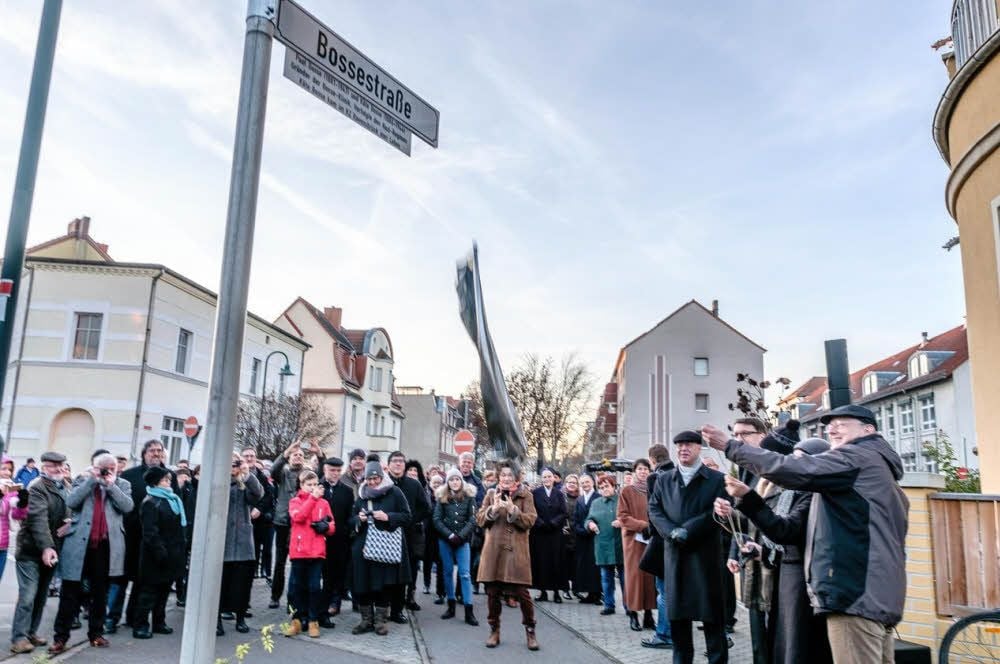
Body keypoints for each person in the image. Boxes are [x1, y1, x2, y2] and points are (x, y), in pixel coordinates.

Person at [704, 403, 909, 664]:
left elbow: (794, 473)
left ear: (868, 429)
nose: (832, 428)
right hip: (875, 594)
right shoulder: (878, 470)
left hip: (854, 595)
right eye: (830, 424)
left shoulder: (857, 458)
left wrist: (730, 446)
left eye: (843, 423)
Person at [714, 438, 834, 664]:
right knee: (781, 643)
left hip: (802, 582)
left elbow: (785, 531)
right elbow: (773, 531)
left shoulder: (812, 493)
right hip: (782, 575)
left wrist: (747, 497)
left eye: (799, 460)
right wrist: (761, 550)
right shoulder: (795, 489)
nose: (794, 465)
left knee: (797, 646)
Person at [648, 431, 730, 664]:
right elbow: (654, 510)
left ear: (699, 448)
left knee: (713, 622)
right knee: (679, 624)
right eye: (679, 446)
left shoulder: (716, 479)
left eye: (689, 445)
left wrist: (689, 529)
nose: (683, 449)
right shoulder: (664, 480)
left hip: (706, 558)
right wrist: (671, 531)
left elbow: (718, 511)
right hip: (675, 557)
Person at [48, 452, 133, 653]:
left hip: (106, 547)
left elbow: (127, 506)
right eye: (102, 468)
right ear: (93, 467)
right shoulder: (82, 480)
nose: (106, 472)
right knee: (69, 592)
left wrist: (110, 485)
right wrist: (91, 482)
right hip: (79, 544)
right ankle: (60, 638)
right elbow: (71, 502)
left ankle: (96, 633)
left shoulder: (122, 484)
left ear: (116, 469)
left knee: (100, 593)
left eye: (110, 468)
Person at [109, 439, 176, 634]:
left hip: (160, 541)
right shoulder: (130, 475)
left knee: (151, 582)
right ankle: (115, 619)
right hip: (133, 537)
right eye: (152, 450)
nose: (156, 453)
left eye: (159, 450)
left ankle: (149, 620)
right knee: (125, 580)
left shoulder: (169, 476)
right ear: (144, 453)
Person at [476, 461, 539, 651]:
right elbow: (479, 520)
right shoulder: (490, 494)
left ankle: (530, 631)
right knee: (492, 593)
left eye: (509, 476)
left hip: (516, 552)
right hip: (494, 551)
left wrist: (513, 510)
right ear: (498, 477)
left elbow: (531, 520)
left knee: (522, 594)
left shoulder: (525, 494)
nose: (505, 479)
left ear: (516, 478)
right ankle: (494, 630)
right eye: (503, 475)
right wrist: (493, 510)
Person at [10, 452, 67, 655]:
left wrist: (69, 524)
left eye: (61, 465)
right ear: (44, 467)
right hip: (30, 551)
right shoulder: (37, 487)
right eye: (53, 466)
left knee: (41, 596)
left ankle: (31, 632)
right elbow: (38, 519)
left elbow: (68, 514)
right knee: (28, 596)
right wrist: (47, 547)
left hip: (51, 550)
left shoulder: (63, 487)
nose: (58, 469)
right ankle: (19, 638)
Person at [350, 454, 412, 637]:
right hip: (363, 547)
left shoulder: (394, 492)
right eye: (369, 479)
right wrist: (357, 519)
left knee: (383, 585)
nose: (373, 482)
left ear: (382, 477)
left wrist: (388, 517)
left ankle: (380, 622)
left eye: (376, 478)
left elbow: (407, 516)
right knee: (362, 584)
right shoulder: (361, 495)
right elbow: (350, 519)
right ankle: (365, 620)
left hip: (385, 547)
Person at [132, 466, 186, 640]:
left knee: (163, 592)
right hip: (155, 556)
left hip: (172, 553)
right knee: (148, 593)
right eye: (165, 480)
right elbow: (150, 532)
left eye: (169, 479)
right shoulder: (150, 501)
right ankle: (140, 625)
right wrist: (161, 552)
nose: (169, 482)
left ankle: (159, 622)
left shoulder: (172, 499)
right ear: (155, 482)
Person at [269, 439, 323, 609]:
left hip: (302, 524)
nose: (298, 457)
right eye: (295, 454)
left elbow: (320, 474)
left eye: (300, 454)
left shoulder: (307, 474)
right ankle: (275, 596)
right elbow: (273, 470)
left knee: (298, 563)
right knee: (279, 561)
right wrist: (285, 452)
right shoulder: (283, 474)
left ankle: (294, 599)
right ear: (290, 458)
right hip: (283, 521)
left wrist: (319, 455)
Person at [217, 454, 264, 637]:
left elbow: (258, 494)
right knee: (221, 584)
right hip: (223, 541)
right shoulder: (219, 481)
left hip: (243, 541)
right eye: (231, 464)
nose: (233, 467)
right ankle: (217, 620)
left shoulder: (243, 483)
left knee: (242, 585)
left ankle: (240, 618)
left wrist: (247, 473)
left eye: (236, 464)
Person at [282, 470, 333, 638]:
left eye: (314, 484)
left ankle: (313, 620)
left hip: (317, 551)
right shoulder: (295, 501)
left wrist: (326, 527)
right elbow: (299, 518)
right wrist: (313, 498)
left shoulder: (324, 503)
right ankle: (297, 620)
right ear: (302, 485)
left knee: (314, 587)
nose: (312, 488)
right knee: (296, 588)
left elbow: (332, 525)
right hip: (299, 552)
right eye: (308, 485)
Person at [431, 468, 479, 626]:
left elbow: (473, 520)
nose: (455, 482)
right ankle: (450, 606)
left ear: (461, 481)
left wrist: (461, 536)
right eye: (451, 480)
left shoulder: (469, 497)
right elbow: (436, 519)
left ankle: (468, 610)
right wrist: (450, 535)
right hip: (446, 540)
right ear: (448, 482)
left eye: (457, 479)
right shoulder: (441, 497)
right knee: (447, 572)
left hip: (462, 541)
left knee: (465, 574)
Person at [385, 451, 429, 620]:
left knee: (403, 575)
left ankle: (397, 610)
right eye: (394, 461)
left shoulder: (414, 484)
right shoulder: (383, 483)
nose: (398, 464)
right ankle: (384, 606)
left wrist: (410, 520)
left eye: (401, 461)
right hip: (386, 535)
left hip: (407, 536)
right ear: (388, 464)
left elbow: (425, 508)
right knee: (387, 573)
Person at [641, 443, 675, 650]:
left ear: (652, 460)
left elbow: (653, 511)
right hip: (678, 537)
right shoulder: (678, 473)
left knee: (663, 590)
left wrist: (650, 533)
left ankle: (664, 634)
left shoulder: (655, 478)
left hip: (662, 540)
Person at [618, 458, 657, 631]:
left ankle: (648, 615)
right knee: (634, 577)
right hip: (633, 540)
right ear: (634, 471)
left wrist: (653, 527)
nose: (643, 472)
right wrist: (643, 526)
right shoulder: (627, 491)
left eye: (646, 469)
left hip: (651, 539)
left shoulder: (653, 490)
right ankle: (633, 614)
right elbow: (623, 516)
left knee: (649, 577)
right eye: (640, 469)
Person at [319, 457, 354, 619]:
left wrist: (347, 530)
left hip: (340, 538)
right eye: (332, 470)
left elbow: (349, 515)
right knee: (324, 572)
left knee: (338, 572)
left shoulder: (346, 491)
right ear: (325, 470)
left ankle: (335, 602)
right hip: (320, 537)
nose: (335, 474)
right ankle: (322, 602)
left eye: (338, 471)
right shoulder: (318, 488)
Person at [586, 475, 626, 617]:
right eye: (601, 487)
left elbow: (629, 516)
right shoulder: (596, 503)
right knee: (606, 578)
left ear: (614, 486)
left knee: (624, 579)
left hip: (621, 545)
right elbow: (589, 518)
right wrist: (590, 524)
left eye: (607, 486)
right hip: (603, 544)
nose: (604, 490)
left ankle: (629, 607)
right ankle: (609, 605)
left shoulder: (622, 500)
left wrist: (622, 522)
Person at [530, 467, 567, 603]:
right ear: (541, 479)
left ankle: (557, 592)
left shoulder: (559, 494)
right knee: (541, 562)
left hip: (555, 533)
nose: (547, 479)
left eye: (549, 476)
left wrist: (553, 522)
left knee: (556, 562)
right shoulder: (535, 493)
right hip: (540, 534)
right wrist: (540, 523)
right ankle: (542, 591)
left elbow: (563, 512)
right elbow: (532, 511)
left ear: (553, 478)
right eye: (544, 477)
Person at [241, 446, 275, 582]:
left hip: (258, 519)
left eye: (252, 456)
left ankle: (258, 573)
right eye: (246, 456)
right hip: (241, 518)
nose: (249, 459)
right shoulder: (236, 474)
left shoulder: (261, 476)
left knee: (257, 549)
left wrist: (259, 509)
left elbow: (268, 495)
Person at [573, 473, 602, 604]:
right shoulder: (579, 499)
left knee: (595, 566)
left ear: (593, 482)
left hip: (595, 537)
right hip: (582, 537)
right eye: (582, 482)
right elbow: (575, 519)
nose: (585, 484)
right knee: (584, 566)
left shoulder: (598, 497)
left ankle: (597, 594)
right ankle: (589, 592)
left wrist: (590, 530)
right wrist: (580, 530)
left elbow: (600, 517)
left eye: (587, 482)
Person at [1, 457, 29, 583]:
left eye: (10, 470)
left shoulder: (12, 490)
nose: (7, 472)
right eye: (3, 469)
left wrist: (22, 504)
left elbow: (16, 516)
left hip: (2, 544)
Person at [560, 473, 579, 601]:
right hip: (565, 535)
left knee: (576, 565)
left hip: (577, 535)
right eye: (569, 482)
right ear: (566, 484)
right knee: (565, 564)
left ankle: (577, 589)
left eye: (574, 482)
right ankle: (565, 589)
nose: (571, 484)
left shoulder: (581, 498)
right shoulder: (561, 497)